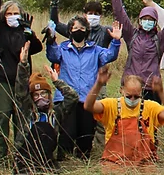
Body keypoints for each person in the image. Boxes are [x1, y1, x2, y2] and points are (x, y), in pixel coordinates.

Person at [46, 16, 123, 159]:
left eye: (82, 29)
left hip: (88, 99)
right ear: (70, 30)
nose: (78, 31)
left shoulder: (95, 50)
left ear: (87, 31)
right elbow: (52, 55)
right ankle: (64, 159)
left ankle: (83, 158)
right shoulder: (63, 48)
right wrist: (50, 40)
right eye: (75, 28)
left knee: (86, 133)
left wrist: (116, 41)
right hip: (66, 98)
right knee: (67, 131)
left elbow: (110, 56)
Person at [0, 0, 42, 165]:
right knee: (1, 118)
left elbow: (37, 49)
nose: (13, 16)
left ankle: (20, 157)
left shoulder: (23, 30)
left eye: (16, 13)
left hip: (21, 81)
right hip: (0, 80)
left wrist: (29, 34)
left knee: (21, 119)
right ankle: (0, 158)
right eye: (9, 13)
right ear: (3, 15)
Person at [84, 68, 164, 169]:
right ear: (121, 90)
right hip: (114, 162)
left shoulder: (150, 107)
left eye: (136, 96)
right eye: (129, 96)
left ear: (141, 92)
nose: (132, 100)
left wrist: (161, 92)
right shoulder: (111, 105)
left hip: (144, 163)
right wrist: (98, 84)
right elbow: (88, 106)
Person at [12, 62, 80, 175]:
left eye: (43, 93)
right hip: (26, 157)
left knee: (47, 129)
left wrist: (56, 82)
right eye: (36, 95)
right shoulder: (26, 112)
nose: (40, 97)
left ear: (49, 95)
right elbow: (21, 90)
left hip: (47, 157)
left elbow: (73, 97)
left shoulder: (56, 113)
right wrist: (23, 65)